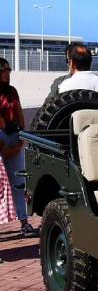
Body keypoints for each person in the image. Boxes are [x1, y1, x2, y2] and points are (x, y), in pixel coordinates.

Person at [0, 58, 36, 237]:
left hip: (13, 135)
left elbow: (20, 114)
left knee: (19, 182)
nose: (7, 74)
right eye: (4, 70)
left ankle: (24, 221)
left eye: (8, 70)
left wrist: (21, 135)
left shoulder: (12, 91)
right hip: (1, 136)